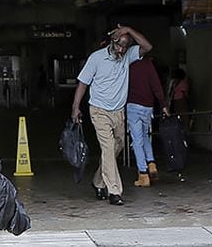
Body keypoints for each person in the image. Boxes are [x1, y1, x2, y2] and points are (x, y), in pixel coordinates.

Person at [71, 25, 152, 206]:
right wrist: (75, 107)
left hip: (118, 112)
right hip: (99, 110)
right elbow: (83, 84)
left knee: (118, 146)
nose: (122, 50)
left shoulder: (127, 56)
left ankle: (99, 181)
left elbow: (147, 47)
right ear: (112, 42)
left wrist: (129, 30)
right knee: (107, 148)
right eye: (119, 46)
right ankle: (114, 191)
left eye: (125, 46)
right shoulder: (96, 58)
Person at [126, 57, 167, 187]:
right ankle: (151, 163)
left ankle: (143, 174)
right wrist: (163, 104)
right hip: (148, 106)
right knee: (145, 136)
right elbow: (156, 85)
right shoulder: (148, 63)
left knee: (137, 140)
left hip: (133, 105)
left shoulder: (127, 62)